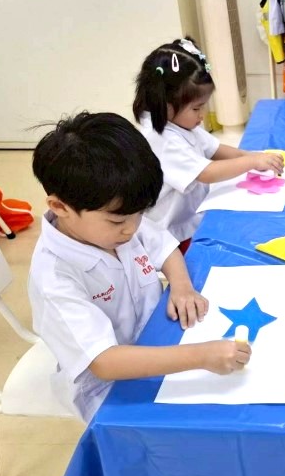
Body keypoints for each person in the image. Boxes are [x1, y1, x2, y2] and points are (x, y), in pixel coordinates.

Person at [28, 112, 251, 422]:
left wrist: (182, 287)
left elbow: (165, 247)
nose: (132, 229)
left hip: (158, 335)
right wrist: (202, 355)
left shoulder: (118, 218)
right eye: (118, 221)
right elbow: (104, 361)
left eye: (140, 215)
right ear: (59, 207)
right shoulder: (54, 277)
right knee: (201, 423)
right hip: (110, 386)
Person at [133, 37, 284, 247]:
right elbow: (206, 173)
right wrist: (252, 162)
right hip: (170, 233)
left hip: (191, 216)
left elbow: (215, 149)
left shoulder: (180, 121)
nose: (202, 114)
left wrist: (254, 156)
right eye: (197, 108)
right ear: (166, 105)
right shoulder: (161, 139)